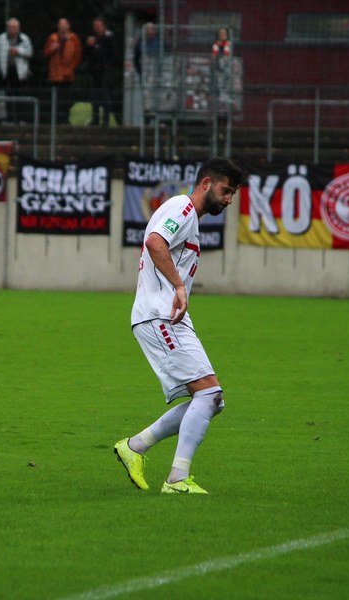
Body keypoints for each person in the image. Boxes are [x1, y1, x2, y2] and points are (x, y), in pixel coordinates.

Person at [114, 157, 244, 495]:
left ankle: (136, 446)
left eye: (233, 194)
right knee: (209, 394)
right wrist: (179, 286)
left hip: (167, 317)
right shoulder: (183, 209)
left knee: (212, 399)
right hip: (159, 315)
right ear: (206, 184)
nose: (229, 200)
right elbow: (155, 242)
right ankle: (176, 479)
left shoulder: (189, 217)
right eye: (226, 191)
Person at [0, 17, 33, 124]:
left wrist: (18, 51)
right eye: (10, 27)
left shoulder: (24, 39)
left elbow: (30, 52)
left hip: (20, 72)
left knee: (20, 95)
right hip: (6, 71)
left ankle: (20, 118)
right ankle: (9, 118)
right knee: (7, 95)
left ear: (18, 28)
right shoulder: (1, 38)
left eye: (14, 27)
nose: (12, 29)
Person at [42, 18, 82, 121]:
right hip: (55, 74)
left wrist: (71, 68)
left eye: (64, 24)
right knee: (55, 98)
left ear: (68, 26)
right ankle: (55, 120)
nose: (62, 26)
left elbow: (77, 56)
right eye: (60, 24)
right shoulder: (52, 38)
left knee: (66, 98)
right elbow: (45, 53)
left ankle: (65, 119)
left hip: (68, 75)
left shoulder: (74, 38)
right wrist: (52, 49)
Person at [85, 17, 117, 127]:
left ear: (104, 26)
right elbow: (87, 54)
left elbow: (114, 54)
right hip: (95, 72)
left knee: (105, 95)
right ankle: (95, 120)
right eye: (95, 26)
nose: (97, 28)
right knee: (95, 96)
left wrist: (108, 66)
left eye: (98, 26)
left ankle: (106, 121)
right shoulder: (93, 39)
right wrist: (89, 46)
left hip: (105, 72)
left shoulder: (109, 38)